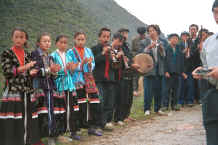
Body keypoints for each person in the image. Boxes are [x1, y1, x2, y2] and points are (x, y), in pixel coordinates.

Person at [0, 28, 41, 145]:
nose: (19, 39)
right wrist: (26, 67)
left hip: (27, 90)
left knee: (28, 117)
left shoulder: (27, 54)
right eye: (16, 37)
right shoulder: (7, 53)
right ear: (12, 38)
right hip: (13, 91)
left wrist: (31, 72)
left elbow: (28, 73)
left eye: (22, 37)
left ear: (25, 39)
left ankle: (28, 141)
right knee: (13, 119)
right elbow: (8, 71)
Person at [31, 33, 65, 145]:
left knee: (51, 111)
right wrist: (50, 69)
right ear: (38, 43)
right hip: (39, 88)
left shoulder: (49, 57)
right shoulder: (34, 55)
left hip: (50, 87)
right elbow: (36, 72)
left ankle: (52, 135)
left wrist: (55, 71)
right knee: (41, 112)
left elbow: (52, 74)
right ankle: (39, 138)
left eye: (49, 41)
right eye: (44, 41)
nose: (47, 43)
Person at [67, 31, 102, 137]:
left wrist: (90, 63)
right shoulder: (70, 52)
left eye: (83, 39)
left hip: (89, 81)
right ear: (74, 40)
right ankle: (75, 130)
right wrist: (82, 63)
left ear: (85, 40)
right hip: (77, 81)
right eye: (78, 39)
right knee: (78, 105)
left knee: (93, 103)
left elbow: (93, 64)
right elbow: (71, 67)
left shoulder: (88, 50)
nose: (81, 42)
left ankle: (92, 127)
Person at [192, 1, 218, 144]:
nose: (217, 15)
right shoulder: (209, 42)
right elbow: (207, 66)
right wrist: (201, 71)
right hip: (213, 95)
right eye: (215, 12)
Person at [50, 35, 80, 141]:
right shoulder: (52, 56)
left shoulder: (68, 55)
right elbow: (53, 73)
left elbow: (72, 71)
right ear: (56, 43)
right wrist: (64, 69)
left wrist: (73, 68)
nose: (63, 45)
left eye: (65, 43)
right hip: (59, 85)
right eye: (61, 42)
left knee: (71, 108)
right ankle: (61, 132)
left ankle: (73, 131)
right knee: (60, 110)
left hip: (69, 84)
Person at [139, 25, 167, 115]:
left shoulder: (162, 42)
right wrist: (149, 47)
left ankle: (158, 108)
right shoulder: (144, 42)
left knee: (159, 90)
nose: (151, 32)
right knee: (148, 91)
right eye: (149, 31)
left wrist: (162, 50)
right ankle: (147, 109)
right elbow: (141, 54)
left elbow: (164, 56)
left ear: (157, 32)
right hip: (148, 70)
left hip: (159, 69)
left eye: (153, 30)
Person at [114, 28, 137, 125]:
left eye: (126, 33)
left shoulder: (126, 46)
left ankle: (126, 115)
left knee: (129, 97)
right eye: (123, 33)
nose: (125, 35)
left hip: (129, 73)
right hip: (121, 74)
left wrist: (131, 63)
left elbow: (130, 58)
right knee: (121, 97)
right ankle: (119, 118)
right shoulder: (118, 47)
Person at [162, 34, 186, 111]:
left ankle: (174, 105)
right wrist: (165, 71)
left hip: (177, 72)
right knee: (167, 90)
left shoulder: (179, 49)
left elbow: (182, 61)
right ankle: (165, 105)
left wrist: (182, 72)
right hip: (169, 72)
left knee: (176, 90)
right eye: (173, 38)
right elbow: (164, 61)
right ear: (169, 39)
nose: (175, 40)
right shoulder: (166, 48)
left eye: (176, 38)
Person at [178, 31, 195, 106]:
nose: (185, 37)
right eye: (183, 36)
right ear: (181, 37)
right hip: (181, 69)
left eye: (186, 36)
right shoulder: (178, 45)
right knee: (181, 86)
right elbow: (177, 56)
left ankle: (190, 100)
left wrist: (188, 51)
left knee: (190, 85)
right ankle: (180, 101)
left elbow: (193, 55)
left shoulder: (192, 45)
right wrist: (183, 52)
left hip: (190, 68)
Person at [132, 26, 147, 97]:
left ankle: (145, 91)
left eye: (143, 34)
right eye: (140, 34)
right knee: (136, 76)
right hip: (137, 61)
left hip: (146, 61)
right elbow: (133, 50)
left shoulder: (148, 40)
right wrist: (137, 55)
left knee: (146, 76)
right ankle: (135, 90)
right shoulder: (134, 40)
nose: (142, 35)